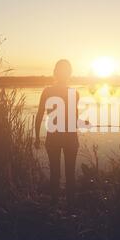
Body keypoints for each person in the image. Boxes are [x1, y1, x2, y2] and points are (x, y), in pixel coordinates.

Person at [34, 60, 79, 206]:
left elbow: (40, 114)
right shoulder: (75, 93)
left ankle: (54, 205)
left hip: (53, 138)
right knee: (70, 174)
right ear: (70, 73)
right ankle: (70, 206)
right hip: (70, 138)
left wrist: (36, 137)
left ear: (55, 72)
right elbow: (74, 118)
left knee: (55, 173)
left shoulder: (47, 91)